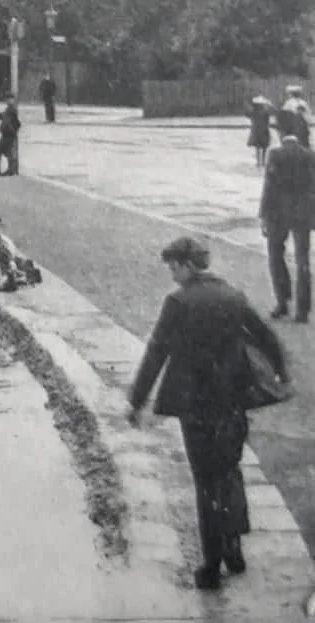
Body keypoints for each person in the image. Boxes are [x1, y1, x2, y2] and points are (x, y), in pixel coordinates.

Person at [127, 236, 287, 590]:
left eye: (173, 266)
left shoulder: (178, 301)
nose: (171, 273)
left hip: (195, 404)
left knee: (205, 481)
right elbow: (265, 337)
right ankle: (234, 547)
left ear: (187, 265)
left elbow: (156, 352)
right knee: (229, 471)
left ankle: (211, 565)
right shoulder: (232, 295)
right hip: (232, 400)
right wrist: (280, 374)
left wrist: (137, 400)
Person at [260, 132, 315, 323]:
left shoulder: (275, 154)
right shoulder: (310, 155)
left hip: (278, 214)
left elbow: (269, 186)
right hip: (303, 214)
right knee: (303, 261)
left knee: (276, 256)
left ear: (282, 135)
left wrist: (263, 215)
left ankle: (282, 302)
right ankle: (302, 310)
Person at [0, 95, 22, 176]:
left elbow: (14, 121)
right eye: (7, 99)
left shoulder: (12, 109)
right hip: (6, 133)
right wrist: (0, 116)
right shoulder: (9, 109)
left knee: (4, 152)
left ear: (12, 100)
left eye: (10, 99)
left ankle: (9, 170)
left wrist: (12, 129)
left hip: (9, 134)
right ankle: (2, 169)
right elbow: (6, 117)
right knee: (2, 151)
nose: (8, 101)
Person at [247, 94, 274, 168]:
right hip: (264, 130)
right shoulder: (265, 112)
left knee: (257, 147)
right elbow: (268, 119)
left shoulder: (253, 111)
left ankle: (258, 162)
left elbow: (247, 114)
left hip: (256, 130)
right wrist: (269, 105)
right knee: (264, 146)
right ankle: (263, 161)